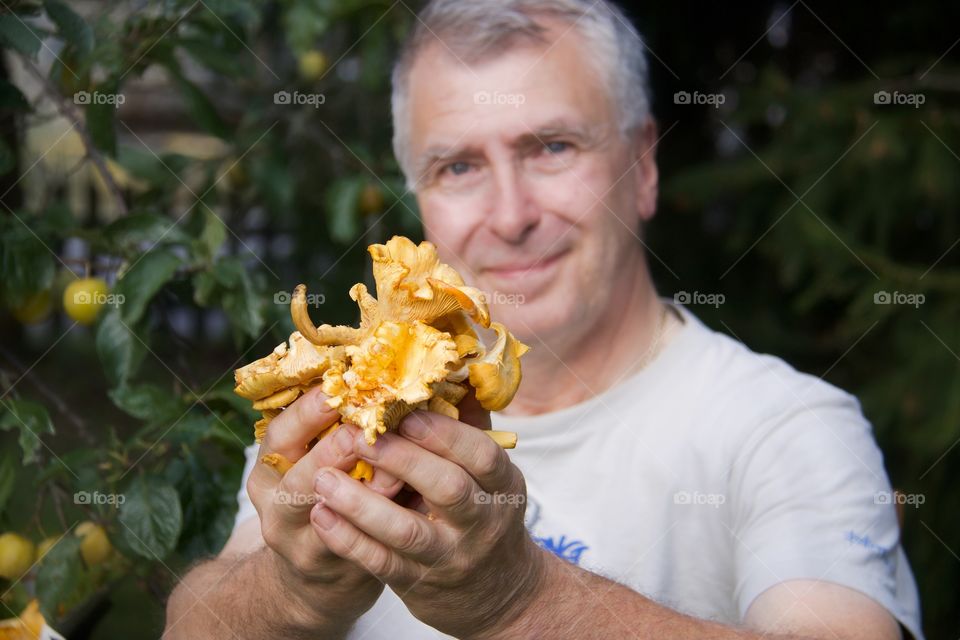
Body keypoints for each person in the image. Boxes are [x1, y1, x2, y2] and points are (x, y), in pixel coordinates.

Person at [164, 1, 923, 638]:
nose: (511, 216)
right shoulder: (348, 408)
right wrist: (288, 595)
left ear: (645, 166)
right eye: (458, 167)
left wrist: (522, 602)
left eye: (553, 147)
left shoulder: (785, 429)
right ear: (418, 197)